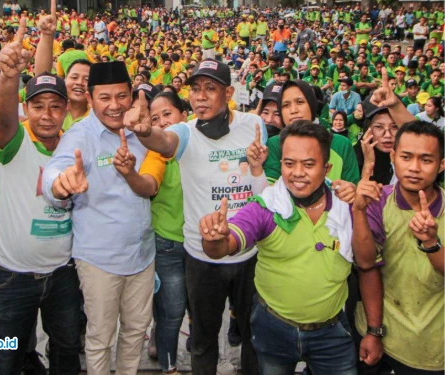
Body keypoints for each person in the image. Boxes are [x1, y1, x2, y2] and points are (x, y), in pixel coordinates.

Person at [124, 59, 266, 374]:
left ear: (229, 92)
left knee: (254, 337)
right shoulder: (184, 132)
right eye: (196, 89)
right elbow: (163, 141)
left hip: (249, 253)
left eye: (210, 89)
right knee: (202, 339)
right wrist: (146, 132)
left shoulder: (254, 126)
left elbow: (260, 181)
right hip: (202, 257)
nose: (200, 96)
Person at [200, 121, 357, 375]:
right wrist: (214, 238)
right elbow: (225, 245)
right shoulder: (266, 207)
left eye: (308, 164)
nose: (297, 173)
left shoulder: (345, 206)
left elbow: (369, 260)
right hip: (273, 329)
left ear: (326, 167)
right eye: (289, 163)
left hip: (332, 334)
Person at [43, 61, 155, 374]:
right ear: (90, 99)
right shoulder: (81, 136)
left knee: (135, 331)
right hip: (99, 259)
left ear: (132, 95)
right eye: (104, 98)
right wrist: (60, 184)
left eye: (121, 96)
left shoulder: (141, 131)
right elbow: (57, 168)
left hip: (143, 254)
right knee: (101, 336)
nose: (114, 105)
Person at [0, 21, 81, 375]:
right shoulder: (13, 141)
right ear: (27, 108)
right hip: (11, 276)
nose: (47, 114)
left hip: (63, 273)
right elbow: (4, 116)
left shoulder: (75, 145)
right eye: (38, 106)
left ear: (67, 109)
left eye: (56, 106)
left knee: (68, 350)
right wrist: (9, 77)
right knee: (4, 361)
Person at [353, 120, 445, 375]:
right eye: (406, 157)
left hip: (432, 349)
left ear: (441, 165)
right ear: (393, 157)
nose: (414, 168)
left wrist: (430, 242)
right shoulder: (378, 200)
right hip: (382, 335)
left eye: (426, 160)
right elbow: (366, 263)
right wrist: (358, 210)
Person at [111, 90, 186, 374]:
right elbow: (148, 185)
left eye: (168, 114)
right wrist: (131, 174)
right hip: (168, 243)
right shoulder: (155, 153)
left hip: (202, 244)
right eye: (155, 118)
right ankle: (169, 366)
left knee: (190, 311)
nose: (163, 122)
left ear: (183, 115)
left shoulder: (198, 146)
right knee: (172, 312)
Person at [263, 79, 360, 189]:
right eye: (286, 105)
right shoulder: (274, 144)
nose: (293, 110)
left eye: (300, 102)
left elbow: (352, 190)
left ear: (312, 104)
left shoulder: (341, 144)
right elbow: (270, 191)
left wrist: (350, 191)